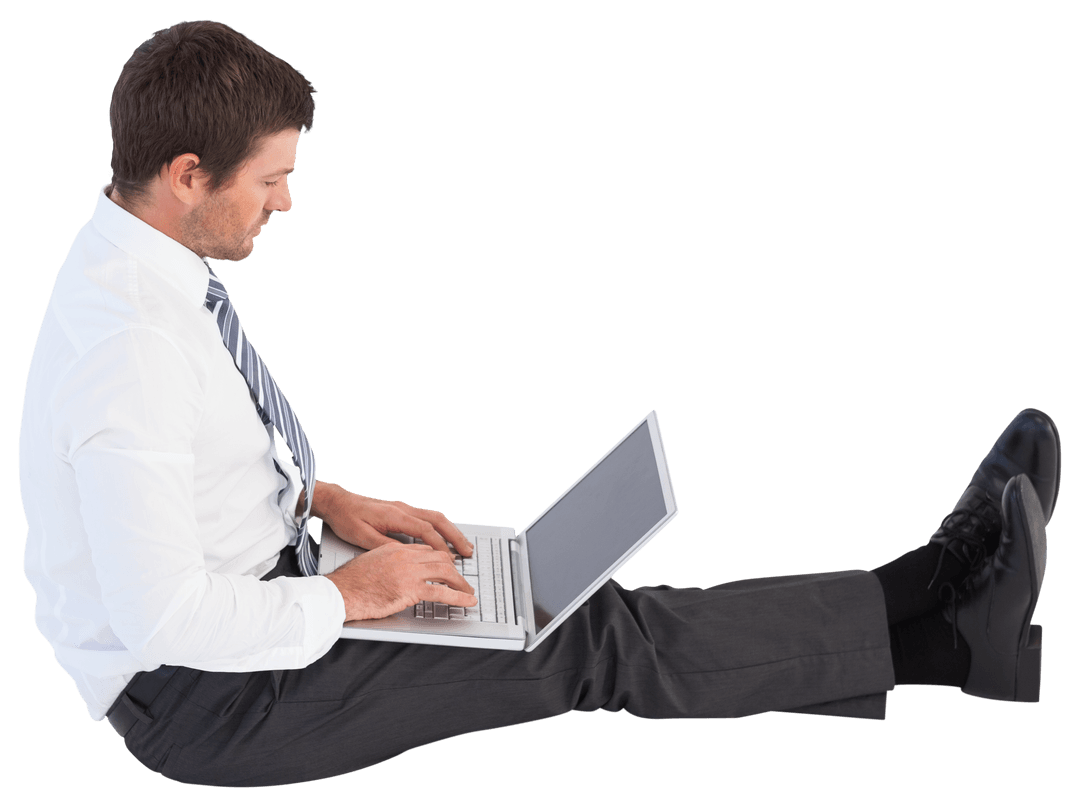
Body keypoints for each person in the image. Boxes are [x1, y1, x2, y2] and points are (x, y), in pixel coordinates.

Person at [19, 20, 1061, 788]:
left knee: (557, 600)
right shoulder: (130, 349)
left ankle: (946, 627)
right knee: (584, 637)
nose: (287, 200)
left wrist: (316, 502)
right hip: (214, 695)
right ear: (188, 172)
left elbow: (172, 477)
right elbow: (167, 614)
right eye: (270, 179)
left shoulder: (136, 254)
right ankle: (943, 605)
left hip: (263, 593)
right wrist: (355, 595)